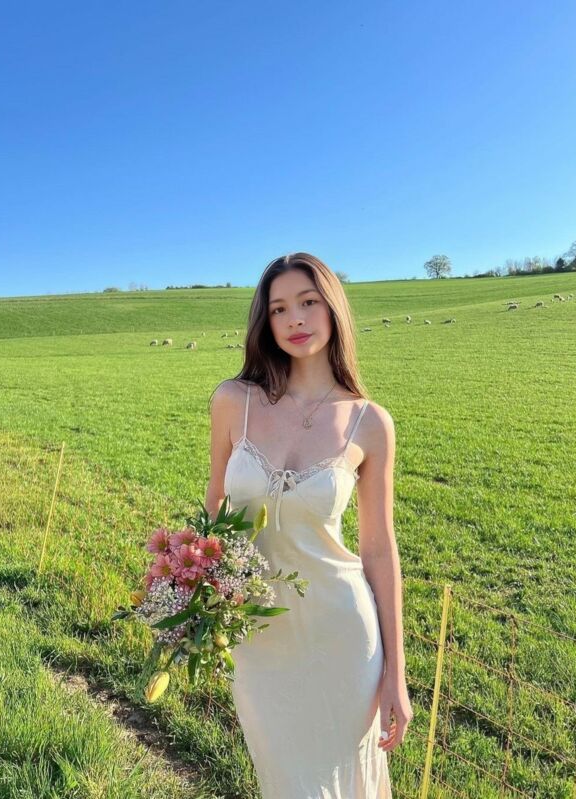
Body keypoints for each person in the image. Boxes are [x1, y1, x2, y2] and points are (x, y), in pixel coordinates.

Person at [206, 253, 412, 798]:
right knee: (283, 780)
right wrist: (198, 591)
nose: (294, 319)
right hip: (258, 636)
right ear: (265, 321)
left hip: (342, 635)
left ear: (333, 307)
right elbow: (214, 509)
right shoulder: (233, 402)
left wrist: (395, 673)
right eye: (278, 309)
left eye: (308, 302)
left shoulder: (370, 422)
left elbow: (379, 548)